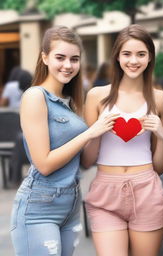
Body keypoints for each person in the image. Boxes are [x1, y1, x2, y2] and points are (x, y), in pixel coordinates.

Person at [10, 26, 118, 256]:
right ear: (45, 57)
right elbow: (44, 164)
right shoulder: (35, 96)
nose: (68, 65)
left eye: (74, 59)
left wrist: (101, 129)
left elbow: (86, 162)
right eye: (60, 57)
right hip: (39, 206)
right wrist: (89, 133)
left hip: (71, 204)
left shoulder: (71, 102)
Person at [84, 24, 163, 256]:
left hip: (147, 190)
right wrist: (96, 131)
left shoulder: (160, 99)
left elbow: (160, 167)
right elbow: (87, 161)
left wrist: (161, 137)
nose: (134, 60)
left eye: (141, 54)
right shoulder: (96, 96)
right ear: (117, 57)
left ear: (150, 58)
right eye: (127, 54)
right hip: (105, 190)